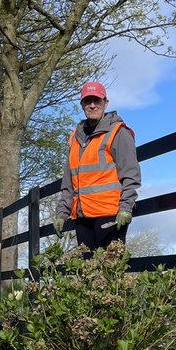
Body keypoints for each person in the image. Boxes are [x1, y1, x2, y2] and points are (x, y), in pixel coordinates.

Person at [56, 80, 142, 255]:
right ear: (82, 105)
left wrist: (125, 207)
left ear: (106, 103)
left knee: (109, 272)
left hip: (110, 214)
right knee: (87, 273)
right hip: (82, 217)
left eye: (97, 100)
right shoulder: (75, 138)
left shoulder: (118, 132)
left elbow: (131, 174)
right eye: (88, 101)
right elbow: (68, 182)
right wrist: (61, 213)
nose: (93, 105)